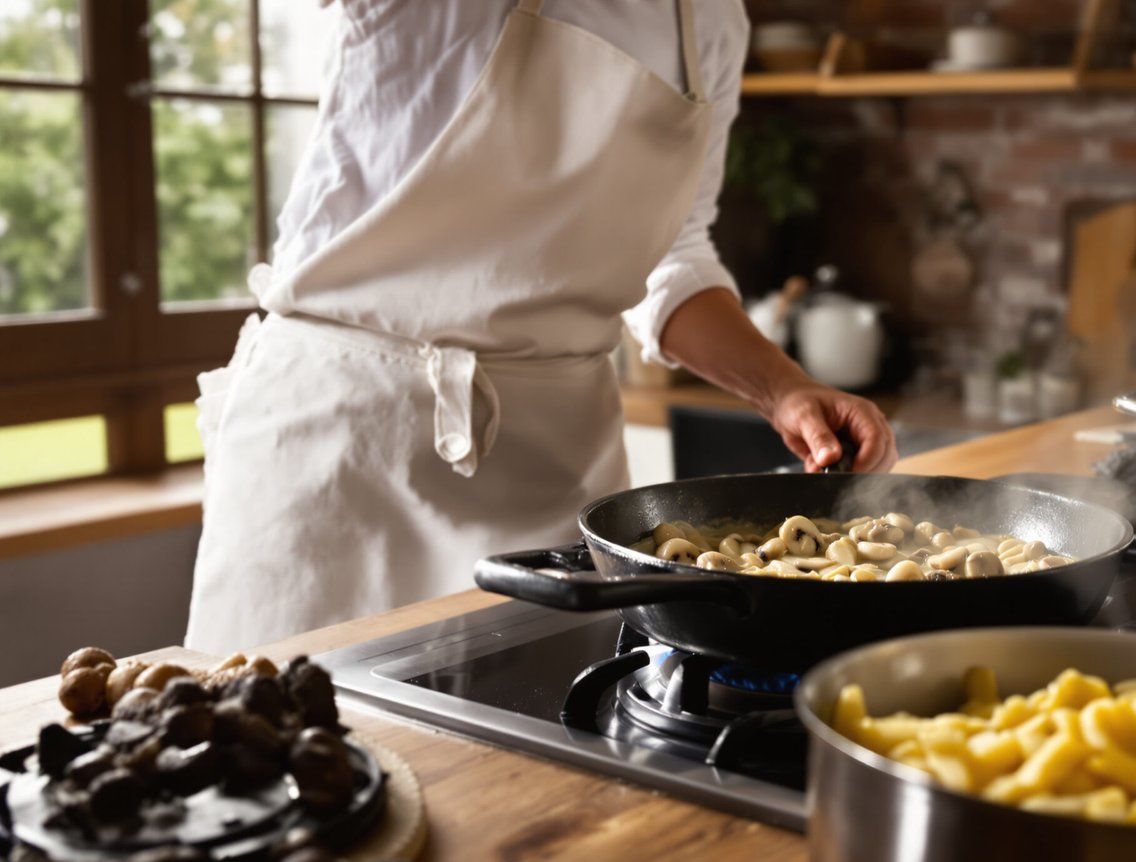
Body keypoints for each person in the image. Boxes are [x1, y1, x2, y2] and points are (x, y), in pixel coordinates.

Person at [184, 0, 897, 653]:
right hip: (346, 450)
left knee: (539, 771)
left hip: (554, 468)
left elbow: (672, 255)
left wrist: (784, 389)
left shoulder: (711, 20)